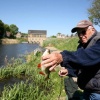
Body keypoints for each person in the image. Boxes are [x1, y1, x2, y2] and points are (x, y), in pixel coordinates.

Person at [41, 20, 100, 100]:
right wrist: (69, 71)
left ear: (92, 29)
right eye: (78, 33)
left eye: (83, 32)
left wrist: (63, 56)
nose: (81, 35)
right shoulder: (82, 46)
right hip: (88, 88)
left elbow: (87, 56)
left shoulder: (98, 42)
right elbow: (83, 65)